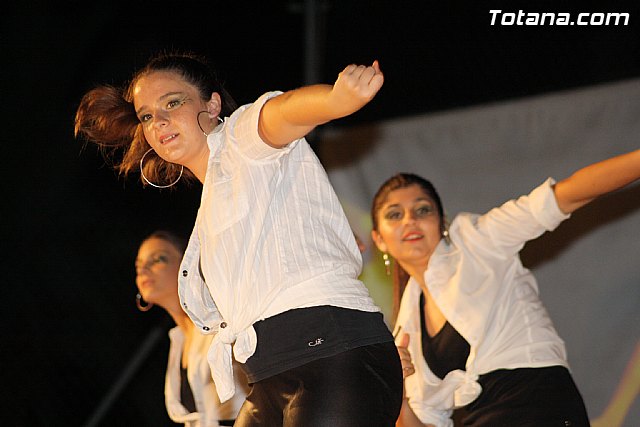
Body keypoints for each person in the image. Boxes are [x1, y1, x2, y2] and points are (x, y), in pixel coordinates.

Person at [75, 52, 402, 426]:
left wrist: (336, 100)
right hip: (267, 377)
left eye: (173, 103)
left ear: (212, 105)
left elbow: (281, 113)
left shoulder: (239, 140)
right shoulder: (210, 206)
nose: (159, 121)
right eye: (147, 116)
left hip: (332, 355)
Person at [369, 149, 640, 427]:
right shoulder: (406, 327)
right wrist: (398, 394)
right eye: (394, 214)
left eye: (422, 210)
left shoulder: (479, 240)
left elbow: (568, 194)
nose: (410, 220)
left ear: (442, 222)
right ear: (379, 240)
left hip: (540, 405)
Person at [135, 230, 248, 426]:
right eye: (139, 266)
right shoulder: (178, 341)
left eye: (158, 259)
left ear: (187, 266)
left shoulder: (219, 320)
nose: (144, 270)